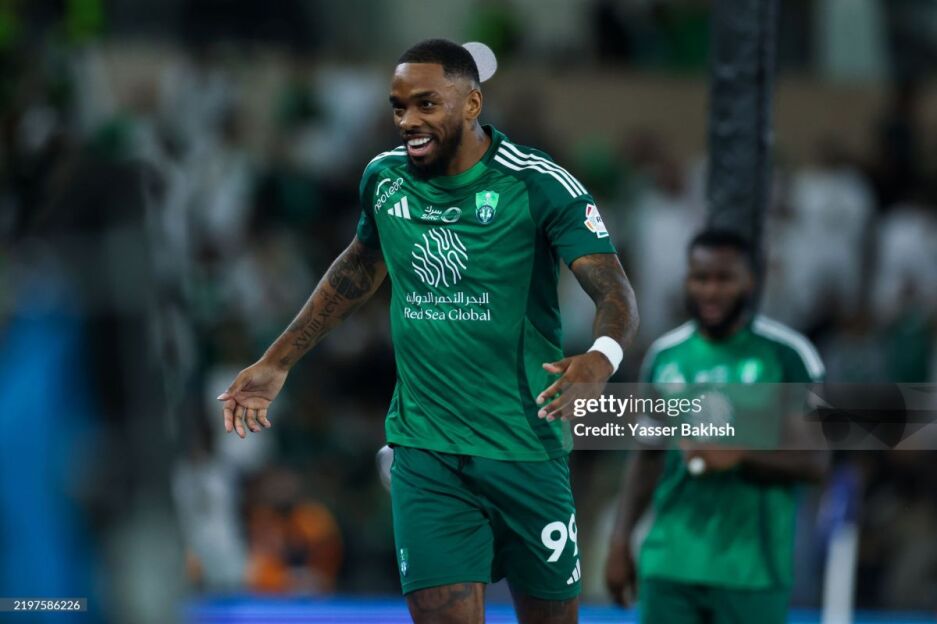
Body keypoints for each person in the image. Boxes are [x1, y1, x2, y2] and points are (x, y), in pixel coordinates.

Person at [218, 38, 638, 624]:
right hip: (426, 453)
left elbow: (614, 291)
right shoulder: (385, 179)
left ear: (472, 105)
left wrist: (601, 357)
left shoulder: (538, 183)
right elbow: (358, 268)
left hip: (526, 448)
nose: (408, 121)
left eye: (426, 104)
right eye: (399, 107)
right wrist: (277, 361)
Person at [604, 229, 828, 624]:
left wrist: (739, 456)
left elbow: (815, 462)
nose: (710, 291)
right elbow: (647, 456)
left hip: (752, 571)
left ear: (750, 281)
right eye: (700, 277)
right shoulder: (665, 355)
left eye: (724, 279)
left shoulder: (788, 356)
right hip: (669, 565)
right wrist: (620, 540)